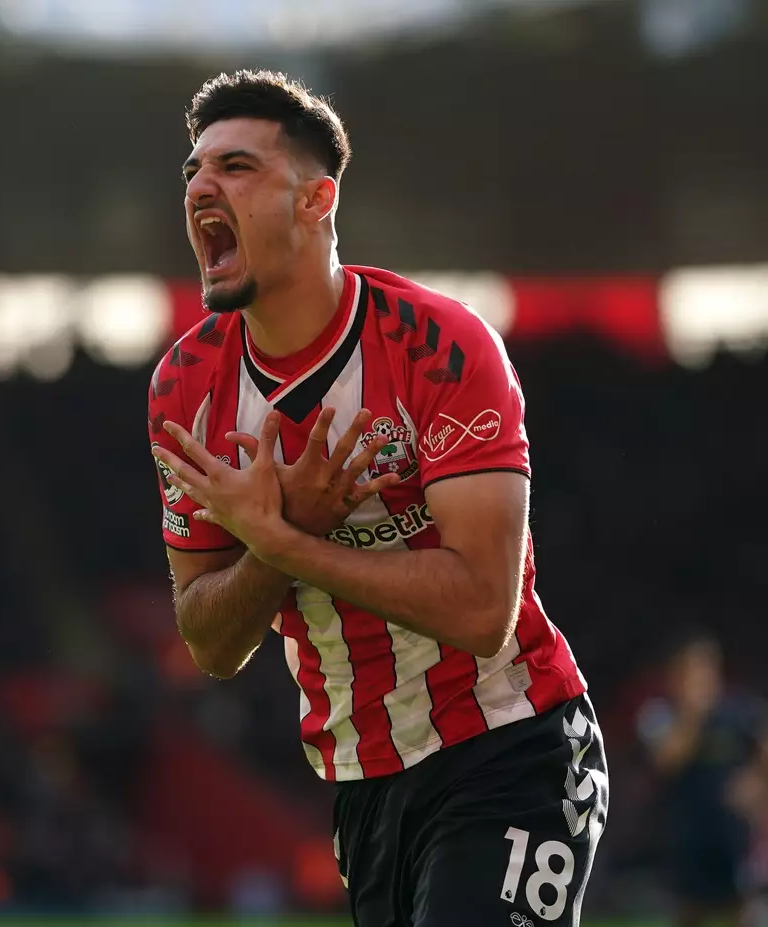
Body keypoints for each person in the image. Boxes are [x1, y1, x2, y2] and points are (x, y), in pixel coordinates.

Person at [147, 70, 607, 926]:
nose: (203, 186)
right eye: (193, 172)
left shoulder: (442, 348)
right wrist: (276, 542)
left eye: (237, 167)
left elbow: (481, 609)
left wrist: (285, 542)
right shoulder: (185, 388)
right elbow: (210, 638)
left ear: (317, 200)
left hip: (512, 747)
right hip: (362, 786)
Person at [637, 632, 768, 927]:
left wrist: (757, 780)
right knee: (690, 911)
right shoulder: (660, 713)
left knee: (743, 907)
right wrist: (692, 714)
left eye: (705, 668)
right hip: (685, 833)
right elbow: (667, 761)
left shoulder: (737, 709)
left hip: (733, 831)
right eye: (689, 670)